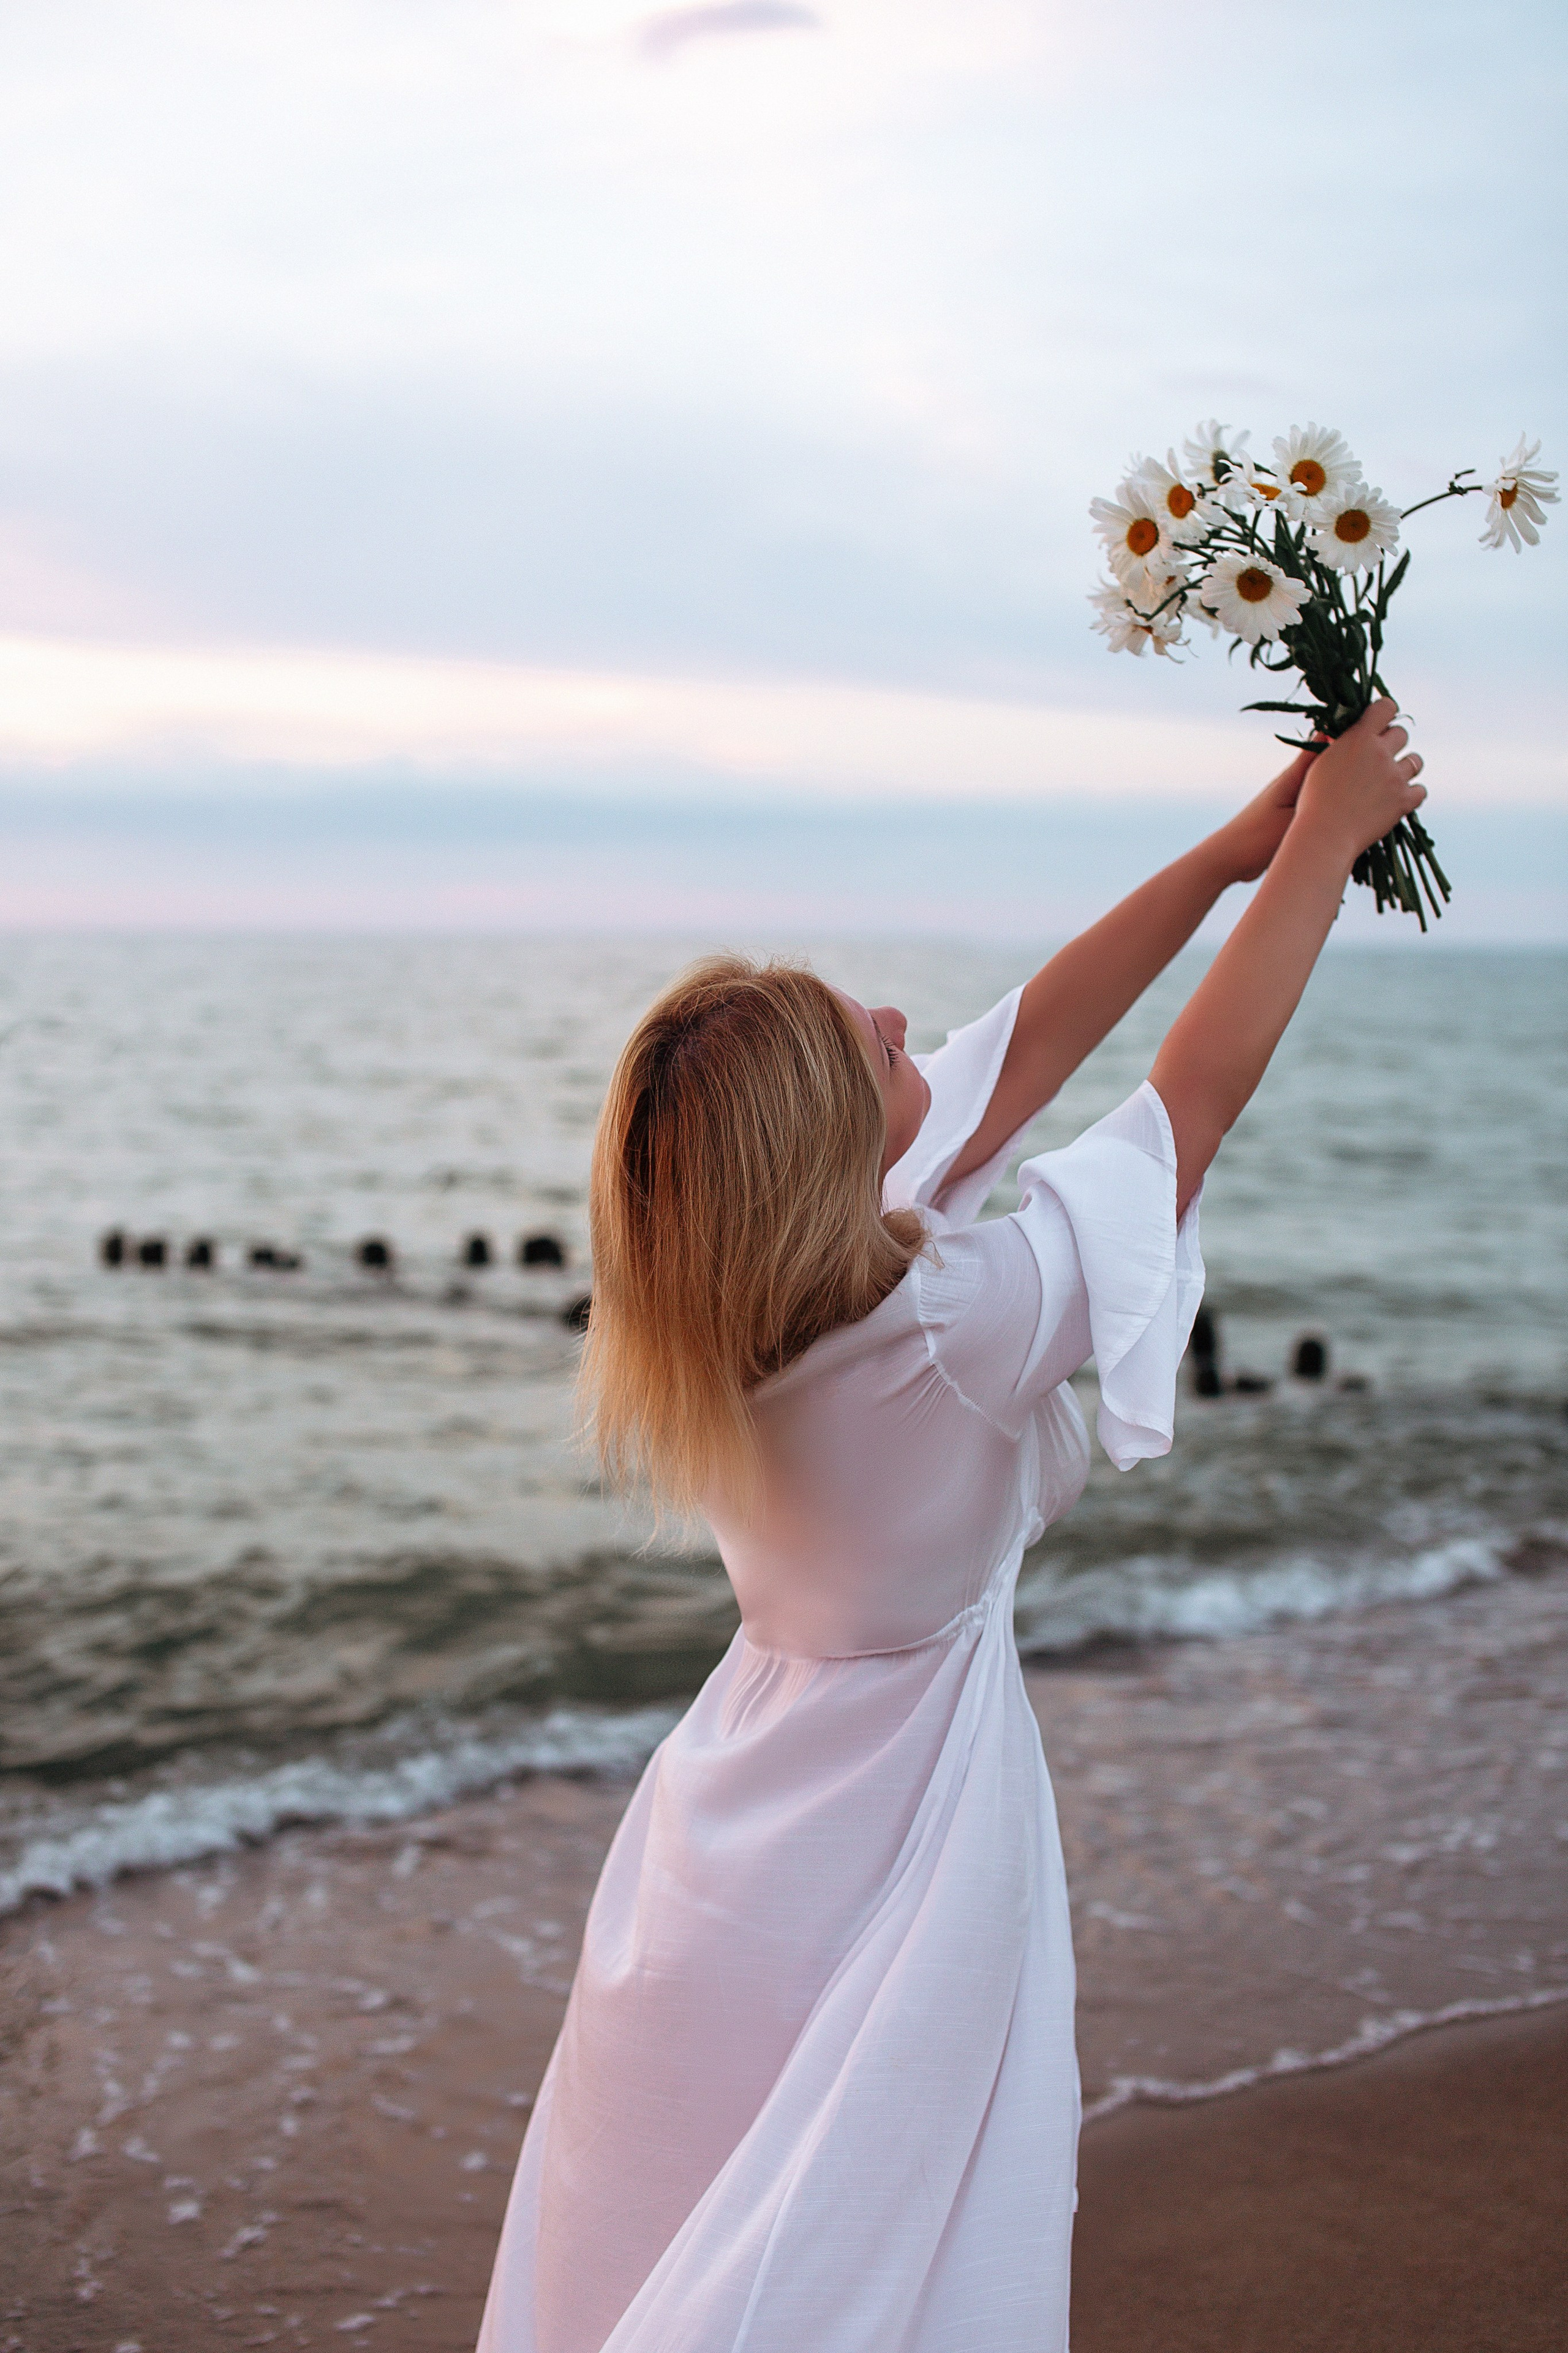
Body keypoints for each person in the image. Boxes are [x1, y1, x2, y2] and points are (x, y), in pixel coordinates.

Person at [476, 700, 1425, 2353]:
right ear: (834, 1157)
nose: (918, 1020)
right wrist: (1325, 854)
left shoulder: (723, 1305)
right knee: (880, 2257)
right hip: (891, 1839)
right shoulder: (942, 1320)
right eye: (877, 1042)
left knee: (684, 2237)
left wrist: (1233, 846)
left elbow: (1031, 1047)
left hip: (726, 1839)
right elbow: (1177, 1115)